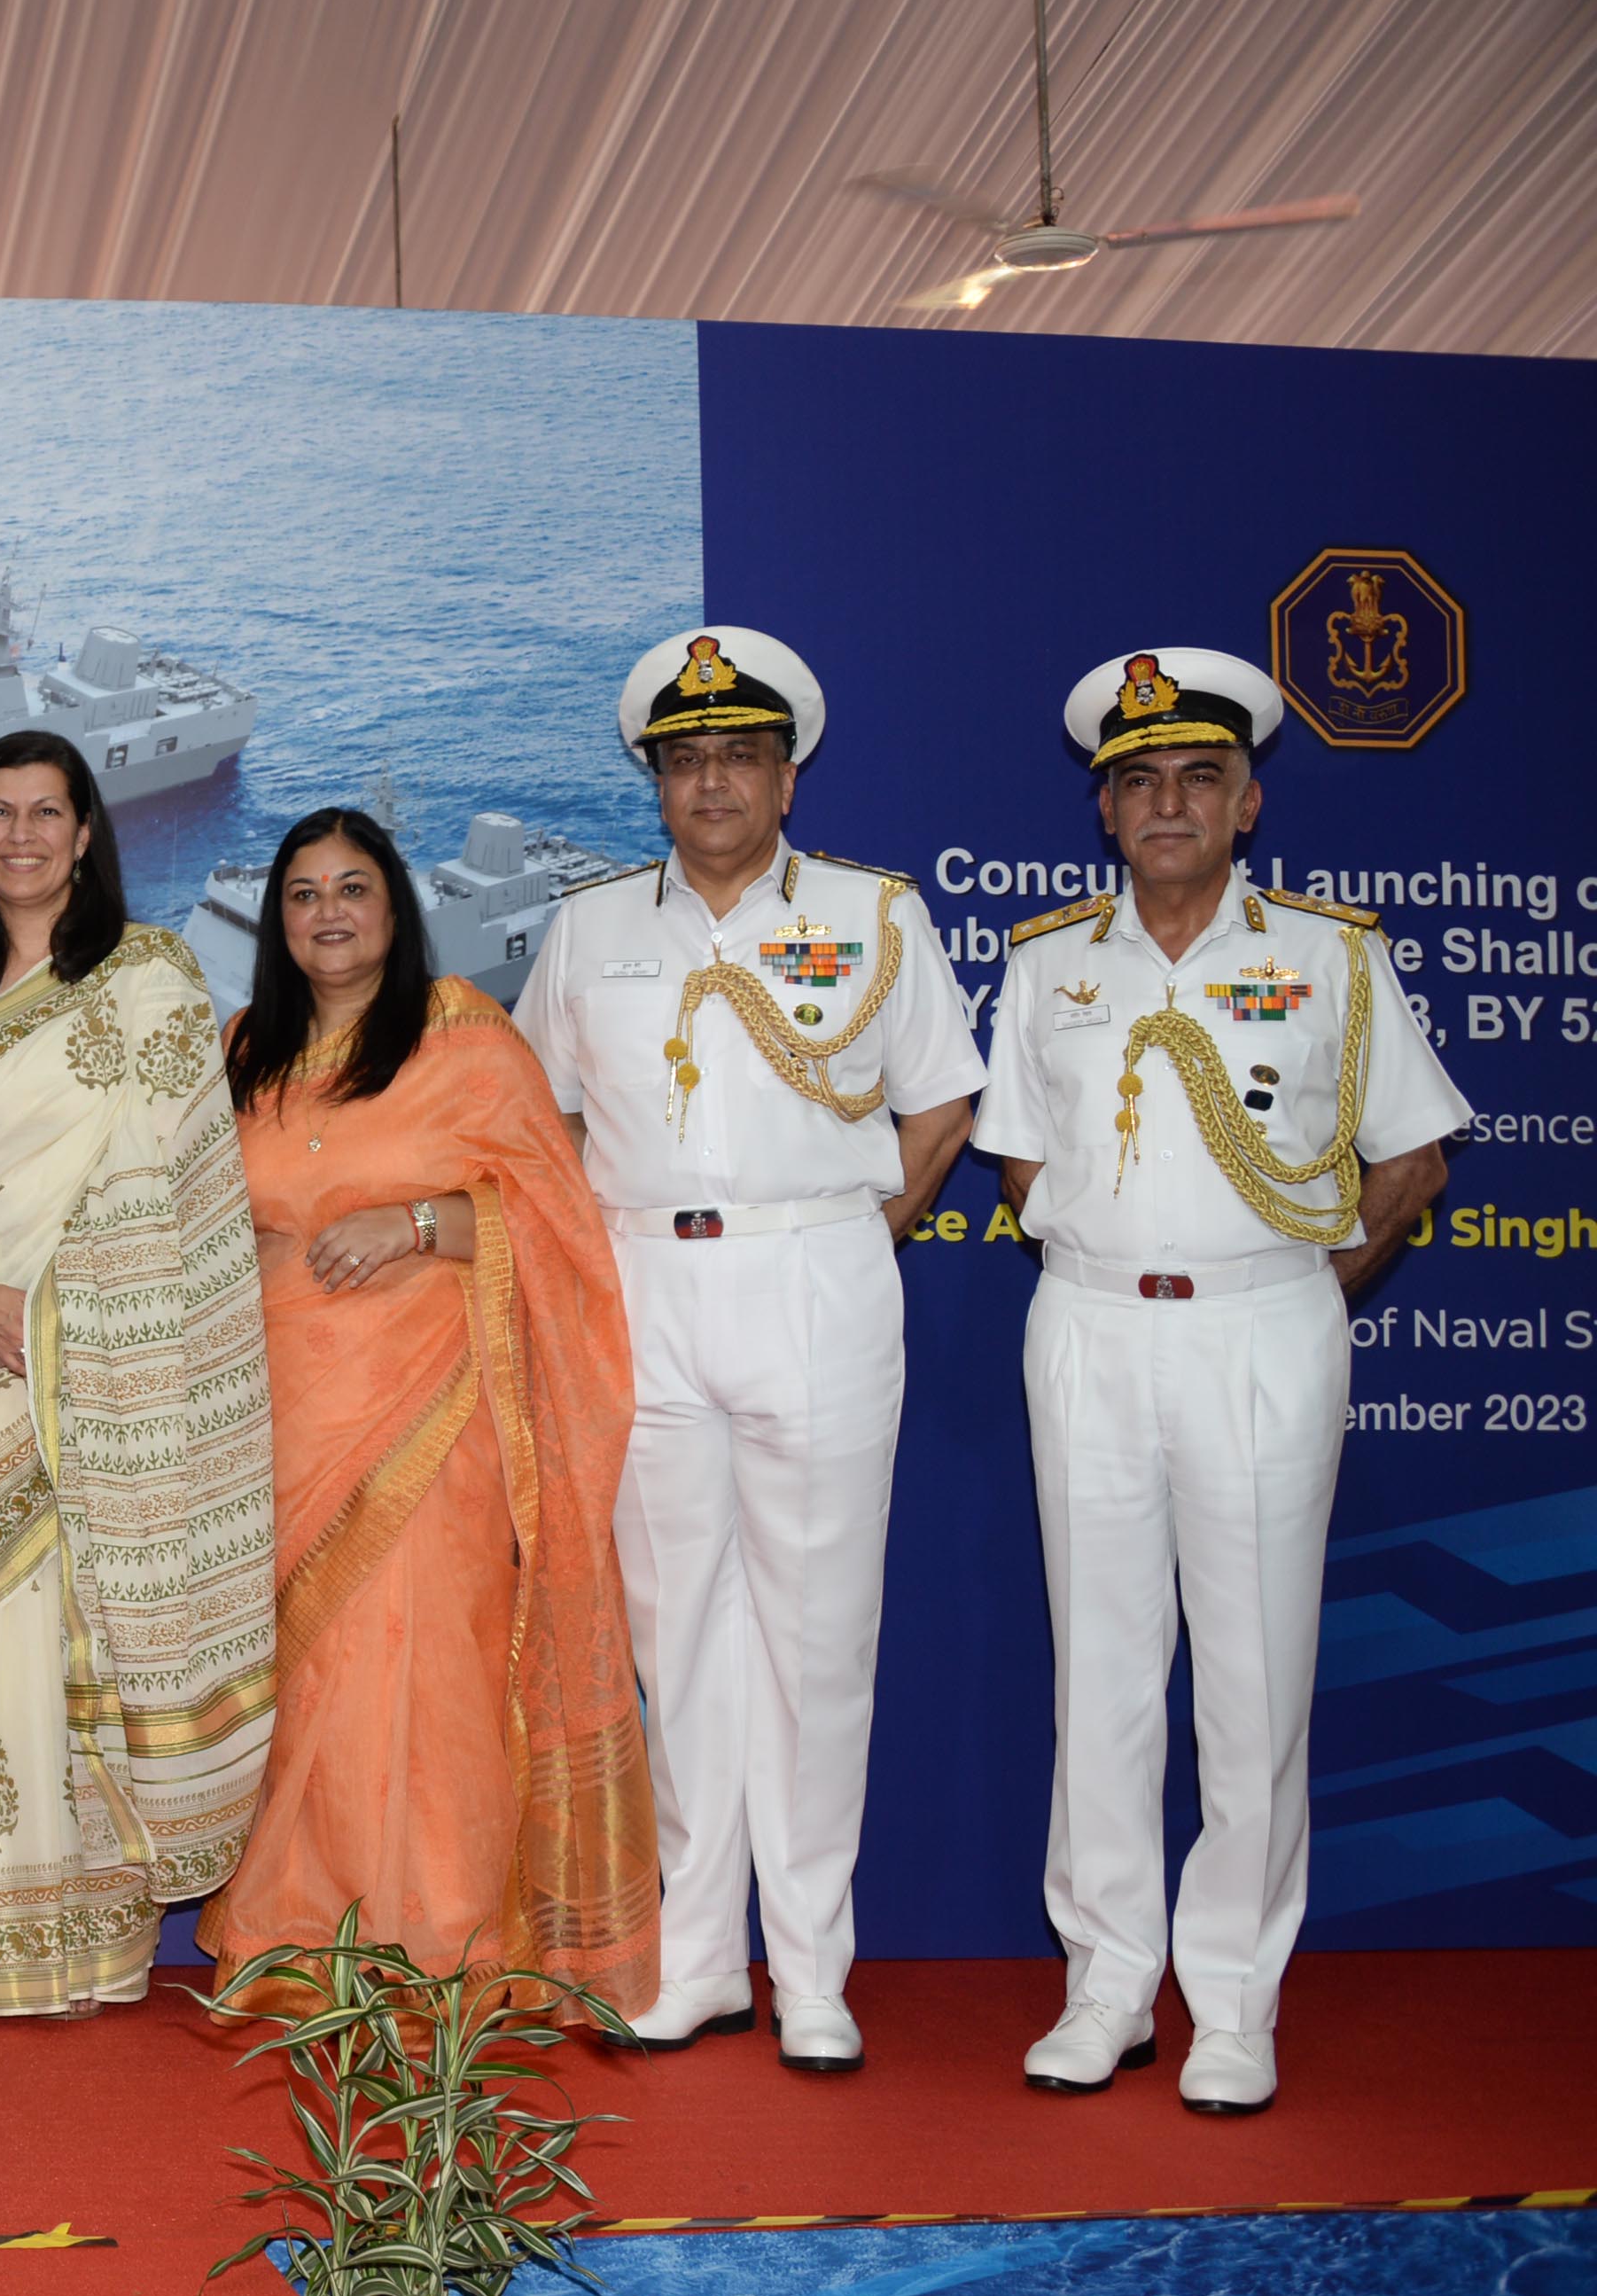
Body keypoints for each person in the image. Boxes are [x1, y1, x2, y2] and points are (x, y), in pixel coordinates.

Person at [979, 647, 1461, 2116]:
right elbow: (1017, 1152)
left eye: (1198, 778)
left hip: (1263, 1331)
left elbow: (1413, 1162)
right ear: (1107, 814)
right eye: (1137, 783)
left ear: (1249, 804)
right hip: (1091, 1328)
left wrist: (1308, 1300)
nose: (1167, 803)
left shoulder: (1331, 957)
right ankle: (1110, 1982)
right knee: (1105, 1675)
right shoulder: (1049, 962)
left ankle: (1235, 2002)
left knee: (1253, 1684)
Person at [509, 629, 983, 2073]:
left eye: (740, 757)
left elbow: (940, 1106)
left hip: (816, 1276)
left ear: (788, 775)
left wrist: (841, 1239)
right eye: (685, 759)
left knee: (818, 1639)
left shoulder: (874, 911)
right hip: (649, 1288)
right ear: (655, 780)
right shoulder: (591, 930)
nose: (712, 782)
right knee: (680, 1637)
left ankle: (818, 1966)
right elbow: (549, 1121)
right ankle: (703, 1957)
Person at [198, 809, 657, 2015]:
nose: (328, 914)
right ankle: (304, 1934)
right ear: (277, 919)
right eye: (303, 894)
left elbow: (557, 1222)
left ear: (396, 910)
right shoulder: (248, 1045)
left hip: (430, 1408)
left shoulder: (461, 1038)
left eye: (354, 889)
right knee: (312, 1683)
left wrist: (412, 1223)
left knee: (419, 1667)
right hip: (282, 1407)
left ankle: (438, 1937)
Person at [0, 731, 277, 2018]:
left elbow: (181, 1191)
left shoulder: (151, 976)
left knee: (72, 1629)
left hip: (102, 1355)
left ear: (88, 832)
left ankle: (85, 1942)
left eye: (50, 812)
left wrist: (70, 1318)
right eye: (0, 813)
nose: (24, 834)